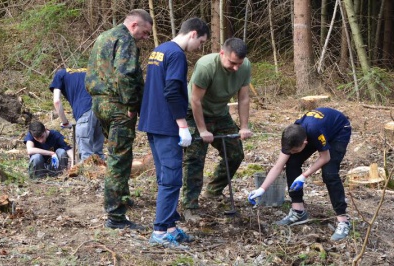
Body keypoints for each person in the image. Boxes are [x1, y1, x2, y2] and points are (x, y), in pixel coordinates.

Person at [138, 17, 209, 249]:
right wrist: (182, 124)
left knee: (164, 177)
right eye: (201, 42)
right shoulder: (177, 54)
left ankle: (170, 226)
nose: (199, 47)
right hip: (166, 125)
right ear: (193, 34)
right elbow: (171, 91)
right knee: (170, 180)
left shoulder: (159, 50)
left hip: (152, 121)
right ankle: (160, 231)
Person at [85, 9, 153, 230]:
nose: (145, 38)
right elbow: (125, 75)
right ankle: (115, 215)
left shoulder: (104, 37)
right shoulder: (125, 41)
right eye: (144, 32)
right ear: (134, 25)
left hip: (99, 103)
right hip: (117, 106)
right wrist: (132, 105)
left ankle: (121, 196)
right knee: (119, 157)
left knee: (119, 152)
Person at [248, 107, 352, 241]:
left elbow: (325, 158)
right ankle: (298, 211)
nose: (294, 152)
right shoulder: (292, 135)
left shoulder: (315, 133)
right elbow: (278, 166)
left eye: (296, 150)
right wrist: (262, 189)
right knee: (291, 162)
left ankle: (343, 220)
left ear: (305, 143)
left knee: (329, 174)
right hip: (316, 131)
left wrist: (304, 175)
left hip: (338, 130)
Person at [181, 38, 253, 219]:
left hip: (220, 114)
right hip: (194, 112)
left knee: (235, 153)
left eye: (239, 63)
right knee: (195, 158)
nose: (236, 67)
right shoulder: (206, 66)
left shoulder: (244, 66)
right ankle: (190, 205)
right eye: (232, 62)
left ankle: (213, 190)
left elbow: (243, 98)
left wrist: (244, 126)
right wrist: (203, 130)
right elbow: (195, 100)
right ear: (222, 53)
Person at [50, 67, 105, 162]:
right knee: (98, 153)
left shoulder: (60, 74)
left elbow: (56, 101)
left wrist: (65, 122)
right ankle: (104, 175)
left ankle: (89, 176)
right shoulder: (86, 70)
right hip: (101, 109)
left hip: (84, 111)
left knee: (86, 156)